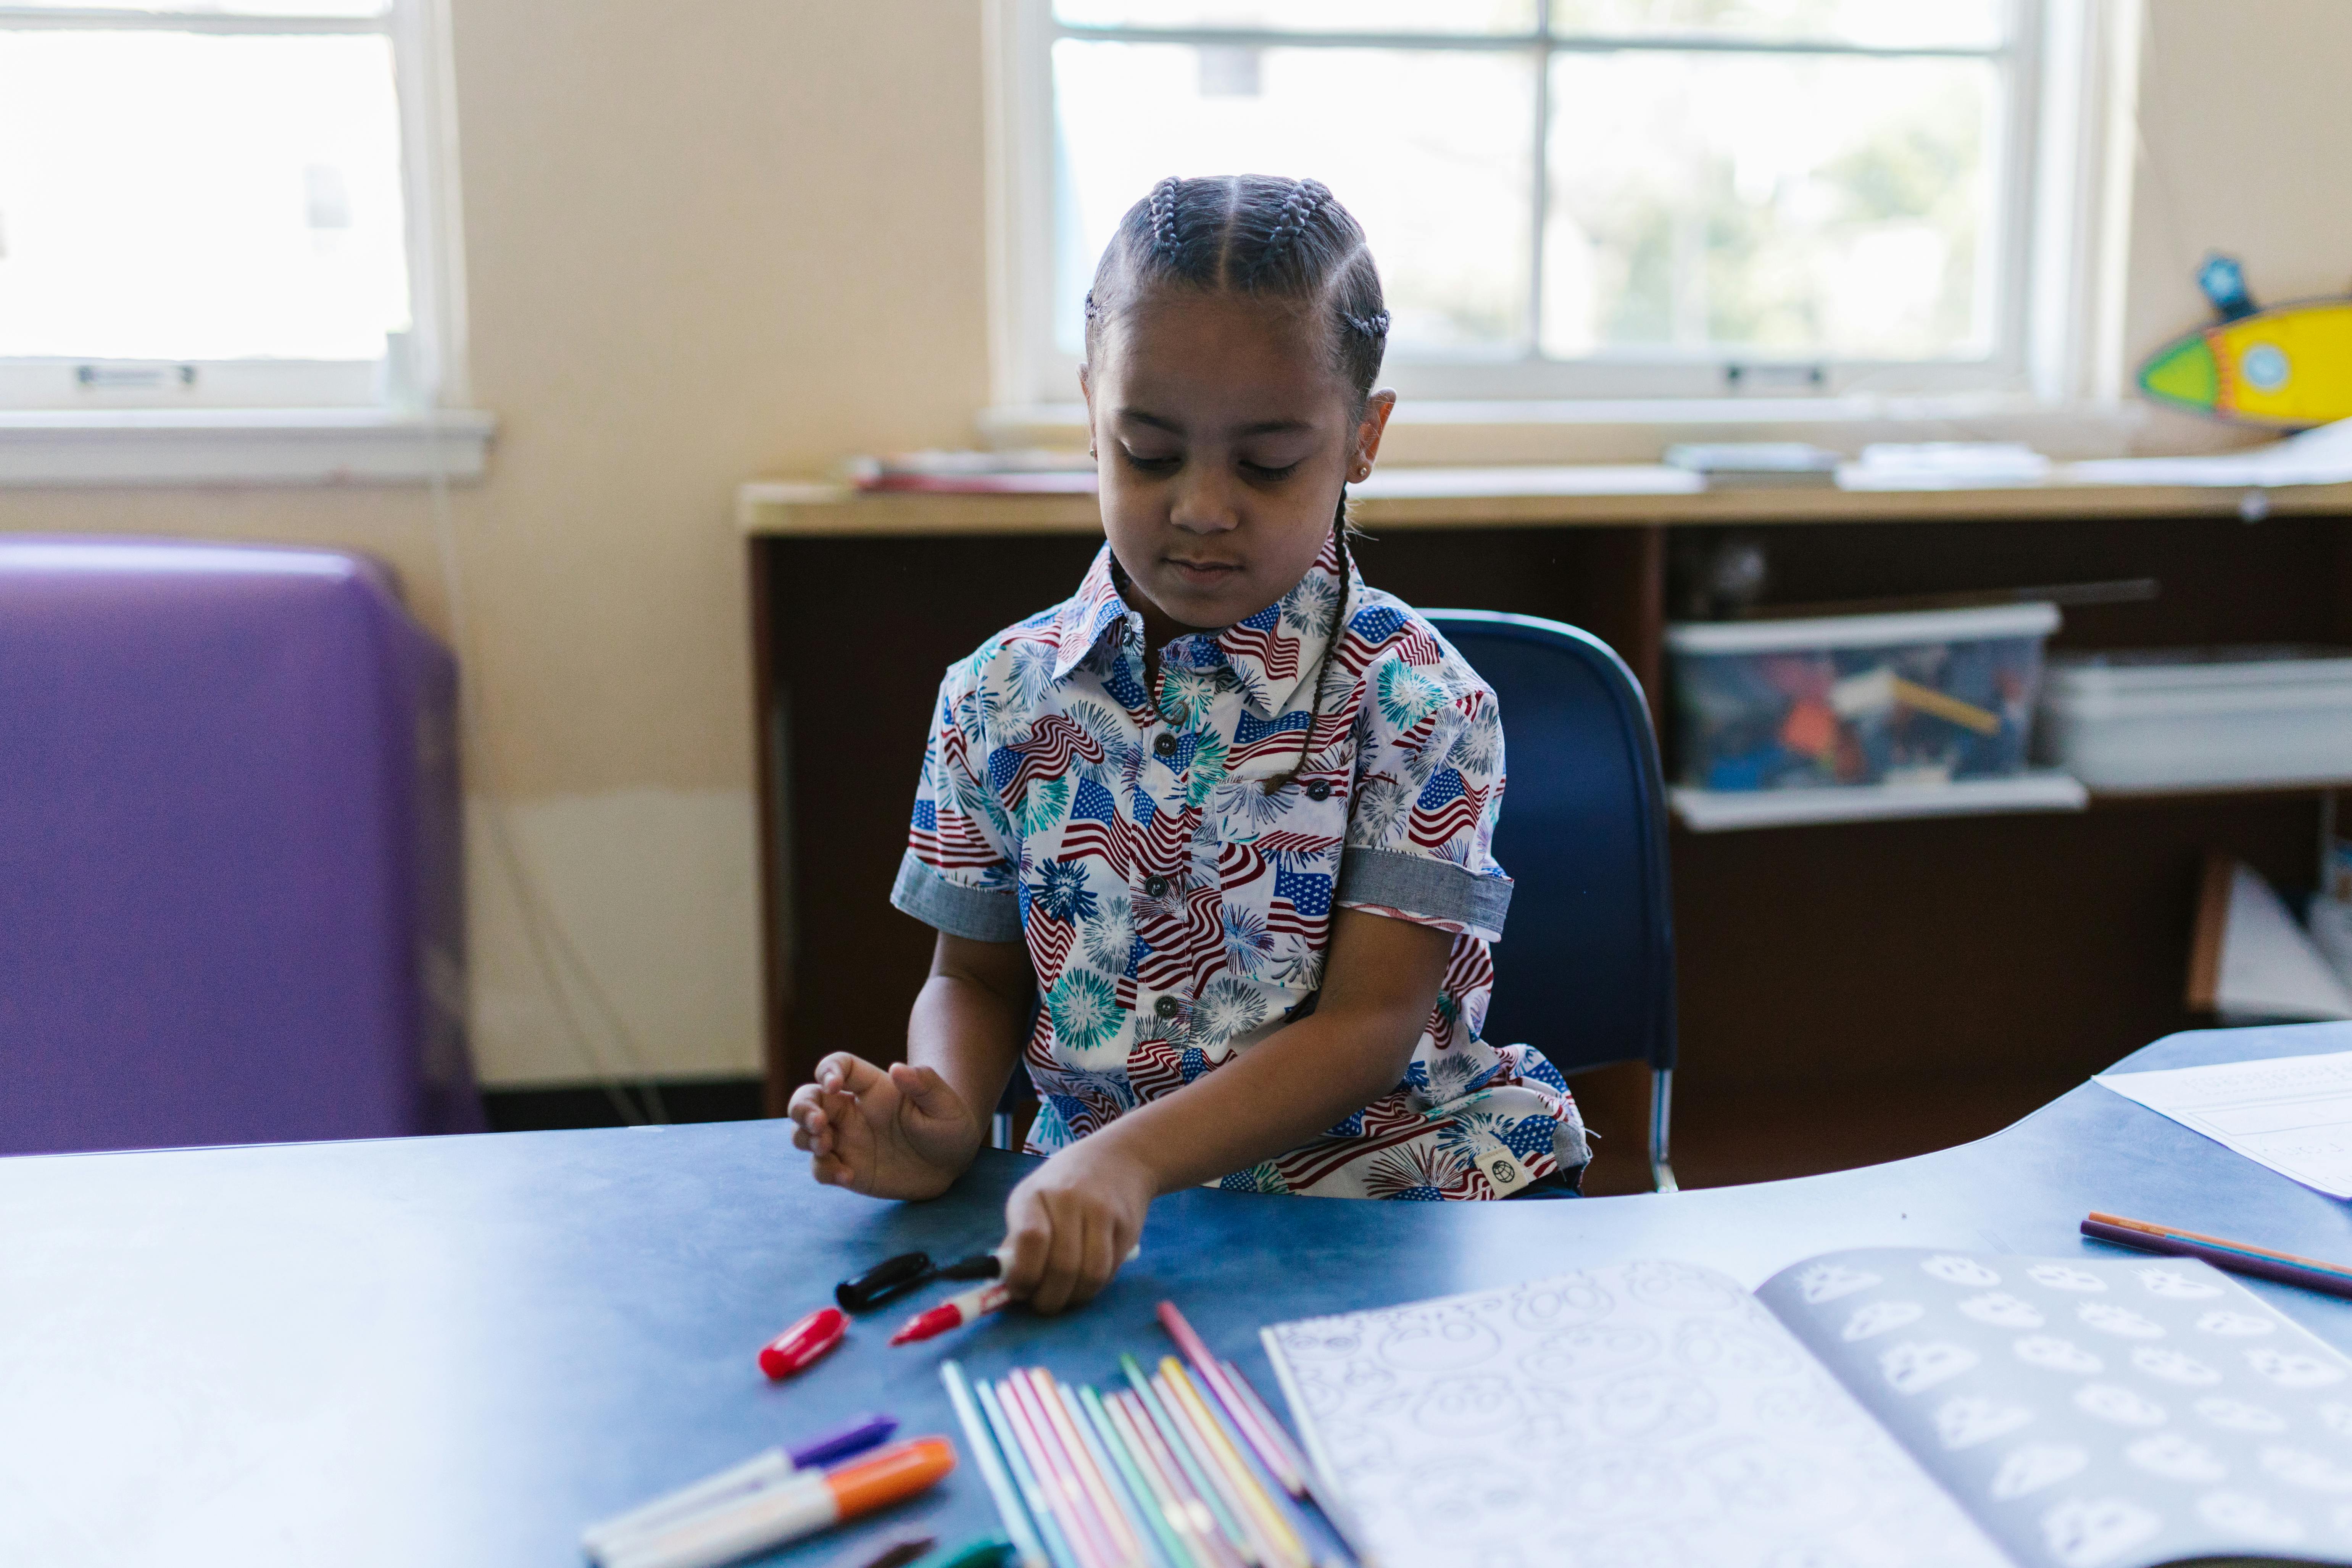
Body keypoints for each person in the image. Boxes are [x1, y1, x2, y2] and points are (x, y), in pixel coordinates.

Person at [788, 174, 1588, 1314]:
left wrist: (1126, 1159)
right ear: (1091, 413)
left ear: (1362, 438)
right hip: (1102, 1225)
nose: (1203, 506)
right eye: (1150, 451)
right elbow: (970, 975)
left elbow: (1368, 1027)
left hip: (1394, 1204)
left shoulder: (1418, 706)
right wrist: (950, 1115)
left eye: (1266, 463)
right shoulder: (997, 695)